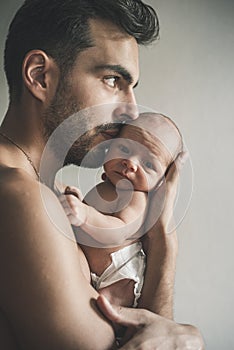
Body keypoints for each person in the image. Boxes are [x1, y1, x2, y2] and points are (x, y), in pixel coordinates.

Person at [0, 0, 204, 349]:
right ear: (40, 76)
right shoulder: (22, 198)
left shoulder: (40, 190)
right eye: (113, 80)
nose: (132, 109)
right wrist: (163, 248)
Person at [60, 113, 183, 311]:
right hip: (91, 269)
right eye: (124, 148)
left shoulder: (136, 198)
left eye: (148, 164)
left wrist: (84, 215)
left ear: (161, 182)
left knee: (101, 311)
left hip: (118, 277)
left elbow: (118, 230)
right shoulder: (107, 187)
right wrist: (78, 202)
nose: (131, 162)